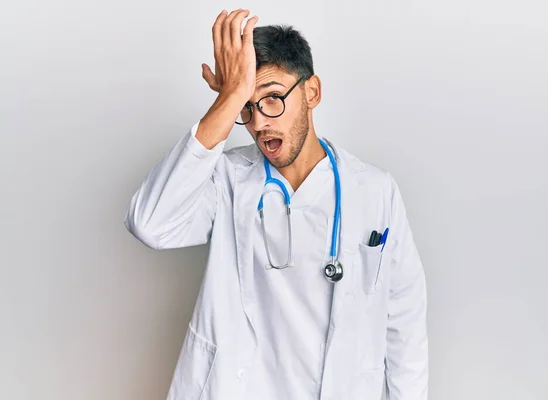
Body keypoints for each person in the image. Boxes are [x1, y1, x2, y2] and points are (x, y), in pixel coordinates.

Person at [124, 9, 428, 400]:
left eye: (272, 98)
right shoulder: (227, 180)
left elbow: (403, 319)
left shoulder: (375, 190)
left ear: (312, 92)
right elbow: (149, 223)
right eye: (247, 109)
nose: (260, 123)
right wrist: (228, 98)